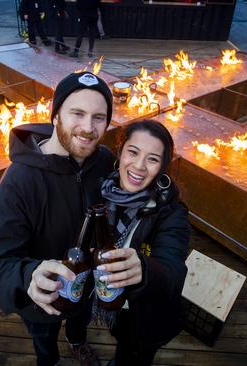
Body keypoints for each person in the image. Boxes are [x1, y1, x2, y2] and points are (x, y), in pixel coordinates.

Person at [0, 72, 115, 366]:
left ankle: (77, 341)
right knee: (44, 337)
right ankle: (50, 359)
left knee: (79, 320)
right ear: (55, 116)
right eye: (77, 113)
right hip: (41, 300)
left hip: (87, 284)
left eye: (99, 117)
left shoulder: (104, 160)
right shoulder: (19, 180)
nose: (88, 127)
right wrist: (30, 277)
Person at [99, 120, 190, 365]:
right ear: (121, 152)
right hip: (109, 298)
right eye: (133, 152)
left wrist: (145, 268)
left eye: (152, 159)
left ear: (162, 167)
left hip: (145, 315)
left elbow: (173, 272)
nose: (139, 166)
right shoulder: (103, 190)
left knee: (132, 355)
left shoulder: (172, 214)